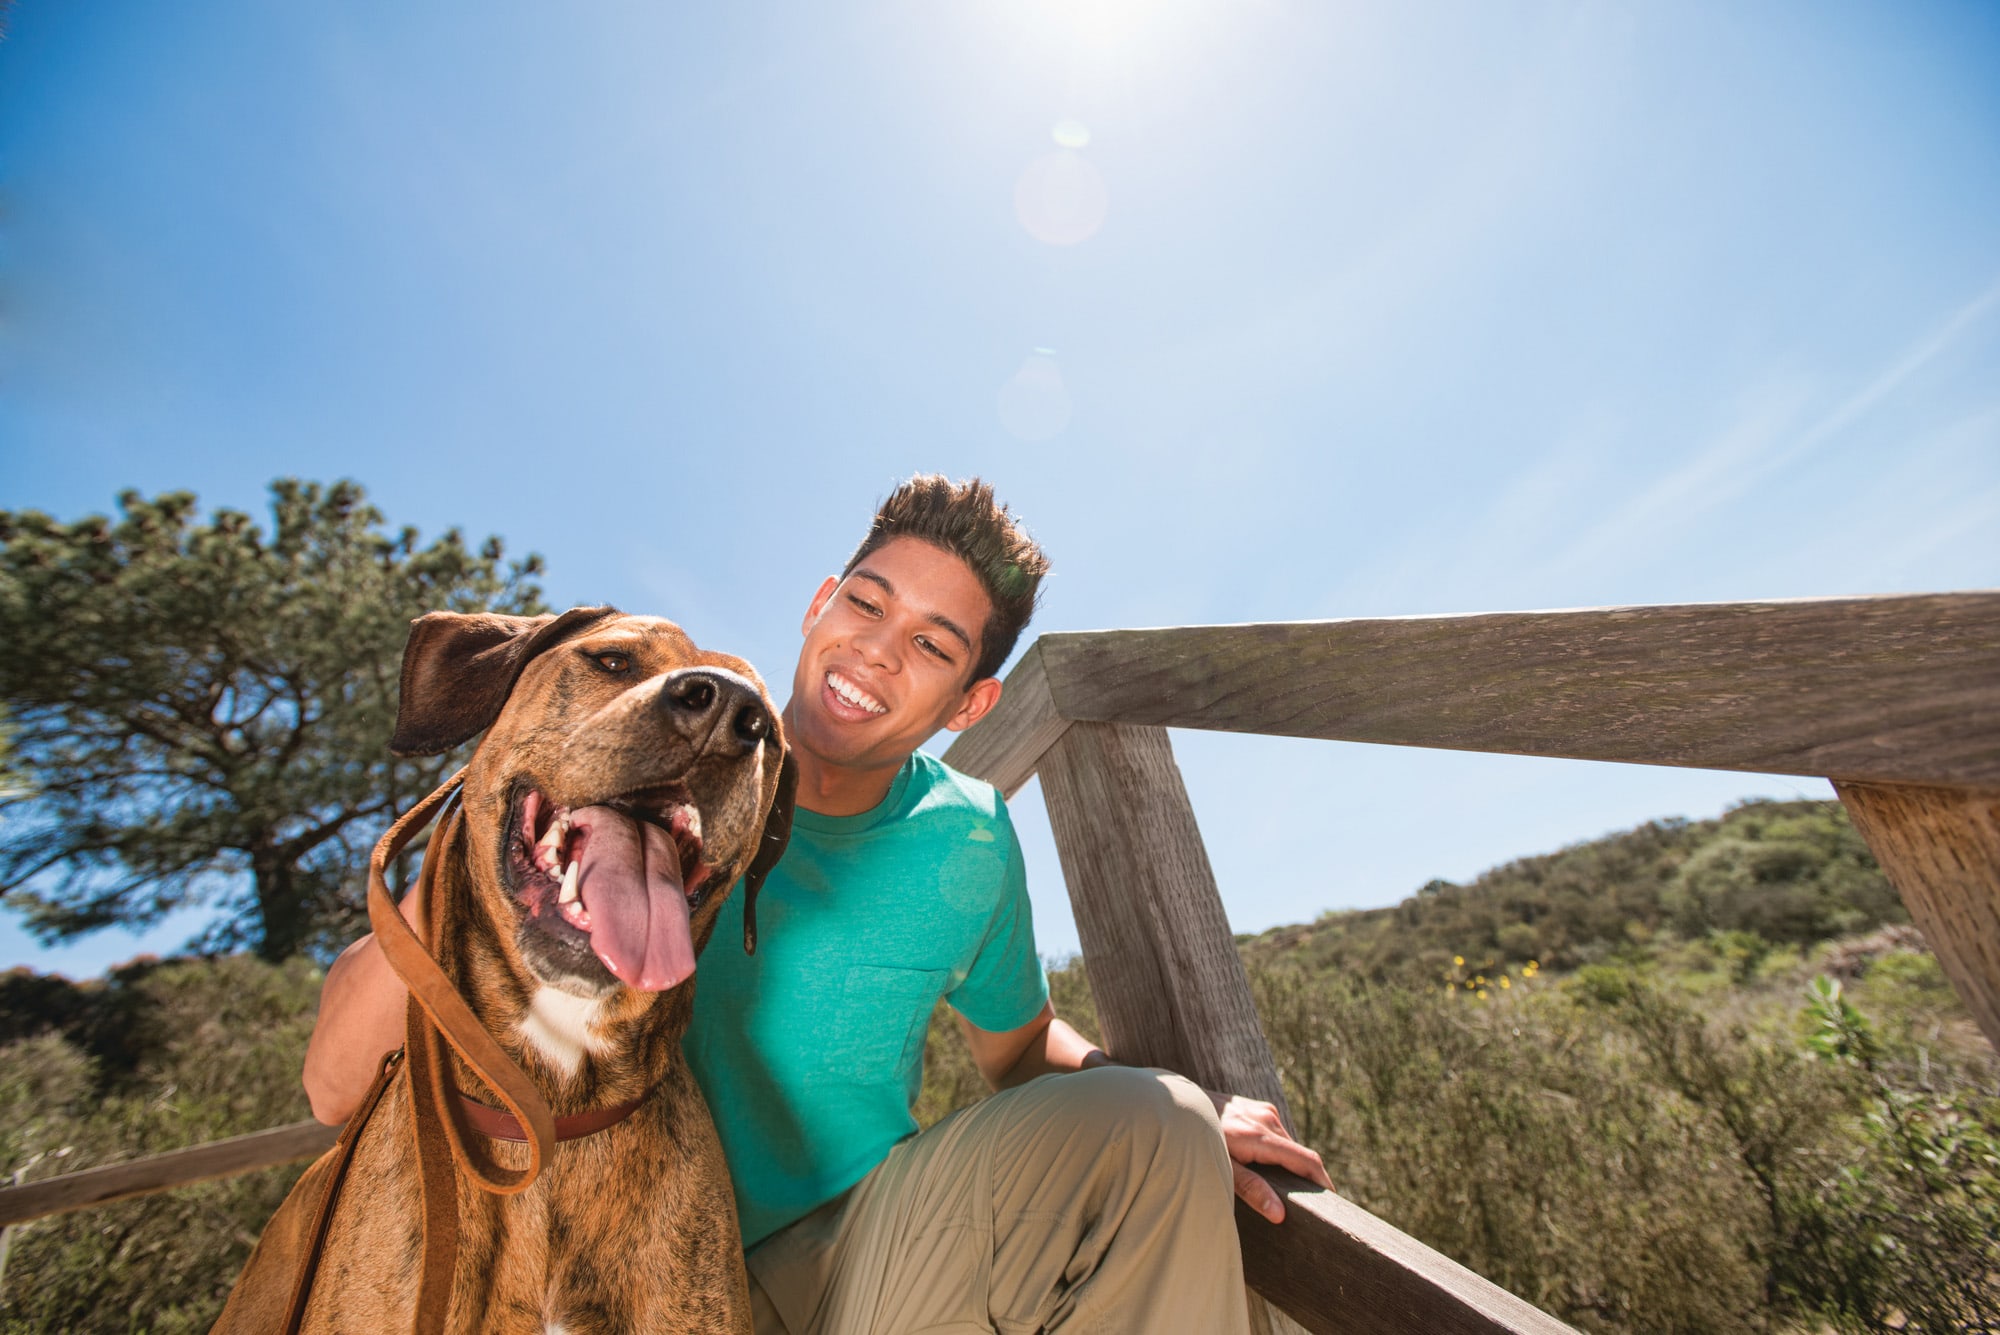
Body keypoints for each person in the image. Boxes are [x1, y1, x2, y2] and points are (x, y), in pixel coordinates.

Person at [303, 474, 1330, 1333]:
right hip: (626, 1264)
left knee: (1155, 1127)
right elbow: (333, 1088)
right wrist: (506, 834)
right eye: (866, 605)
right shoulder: (663, 764)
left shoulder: (969, 835)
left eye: (933, 645)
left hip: (871, 1250)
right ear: (819, 603)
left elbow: (1018, 1048)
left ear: (972, 704)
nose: (877, 650)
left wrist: (1186, 1102)